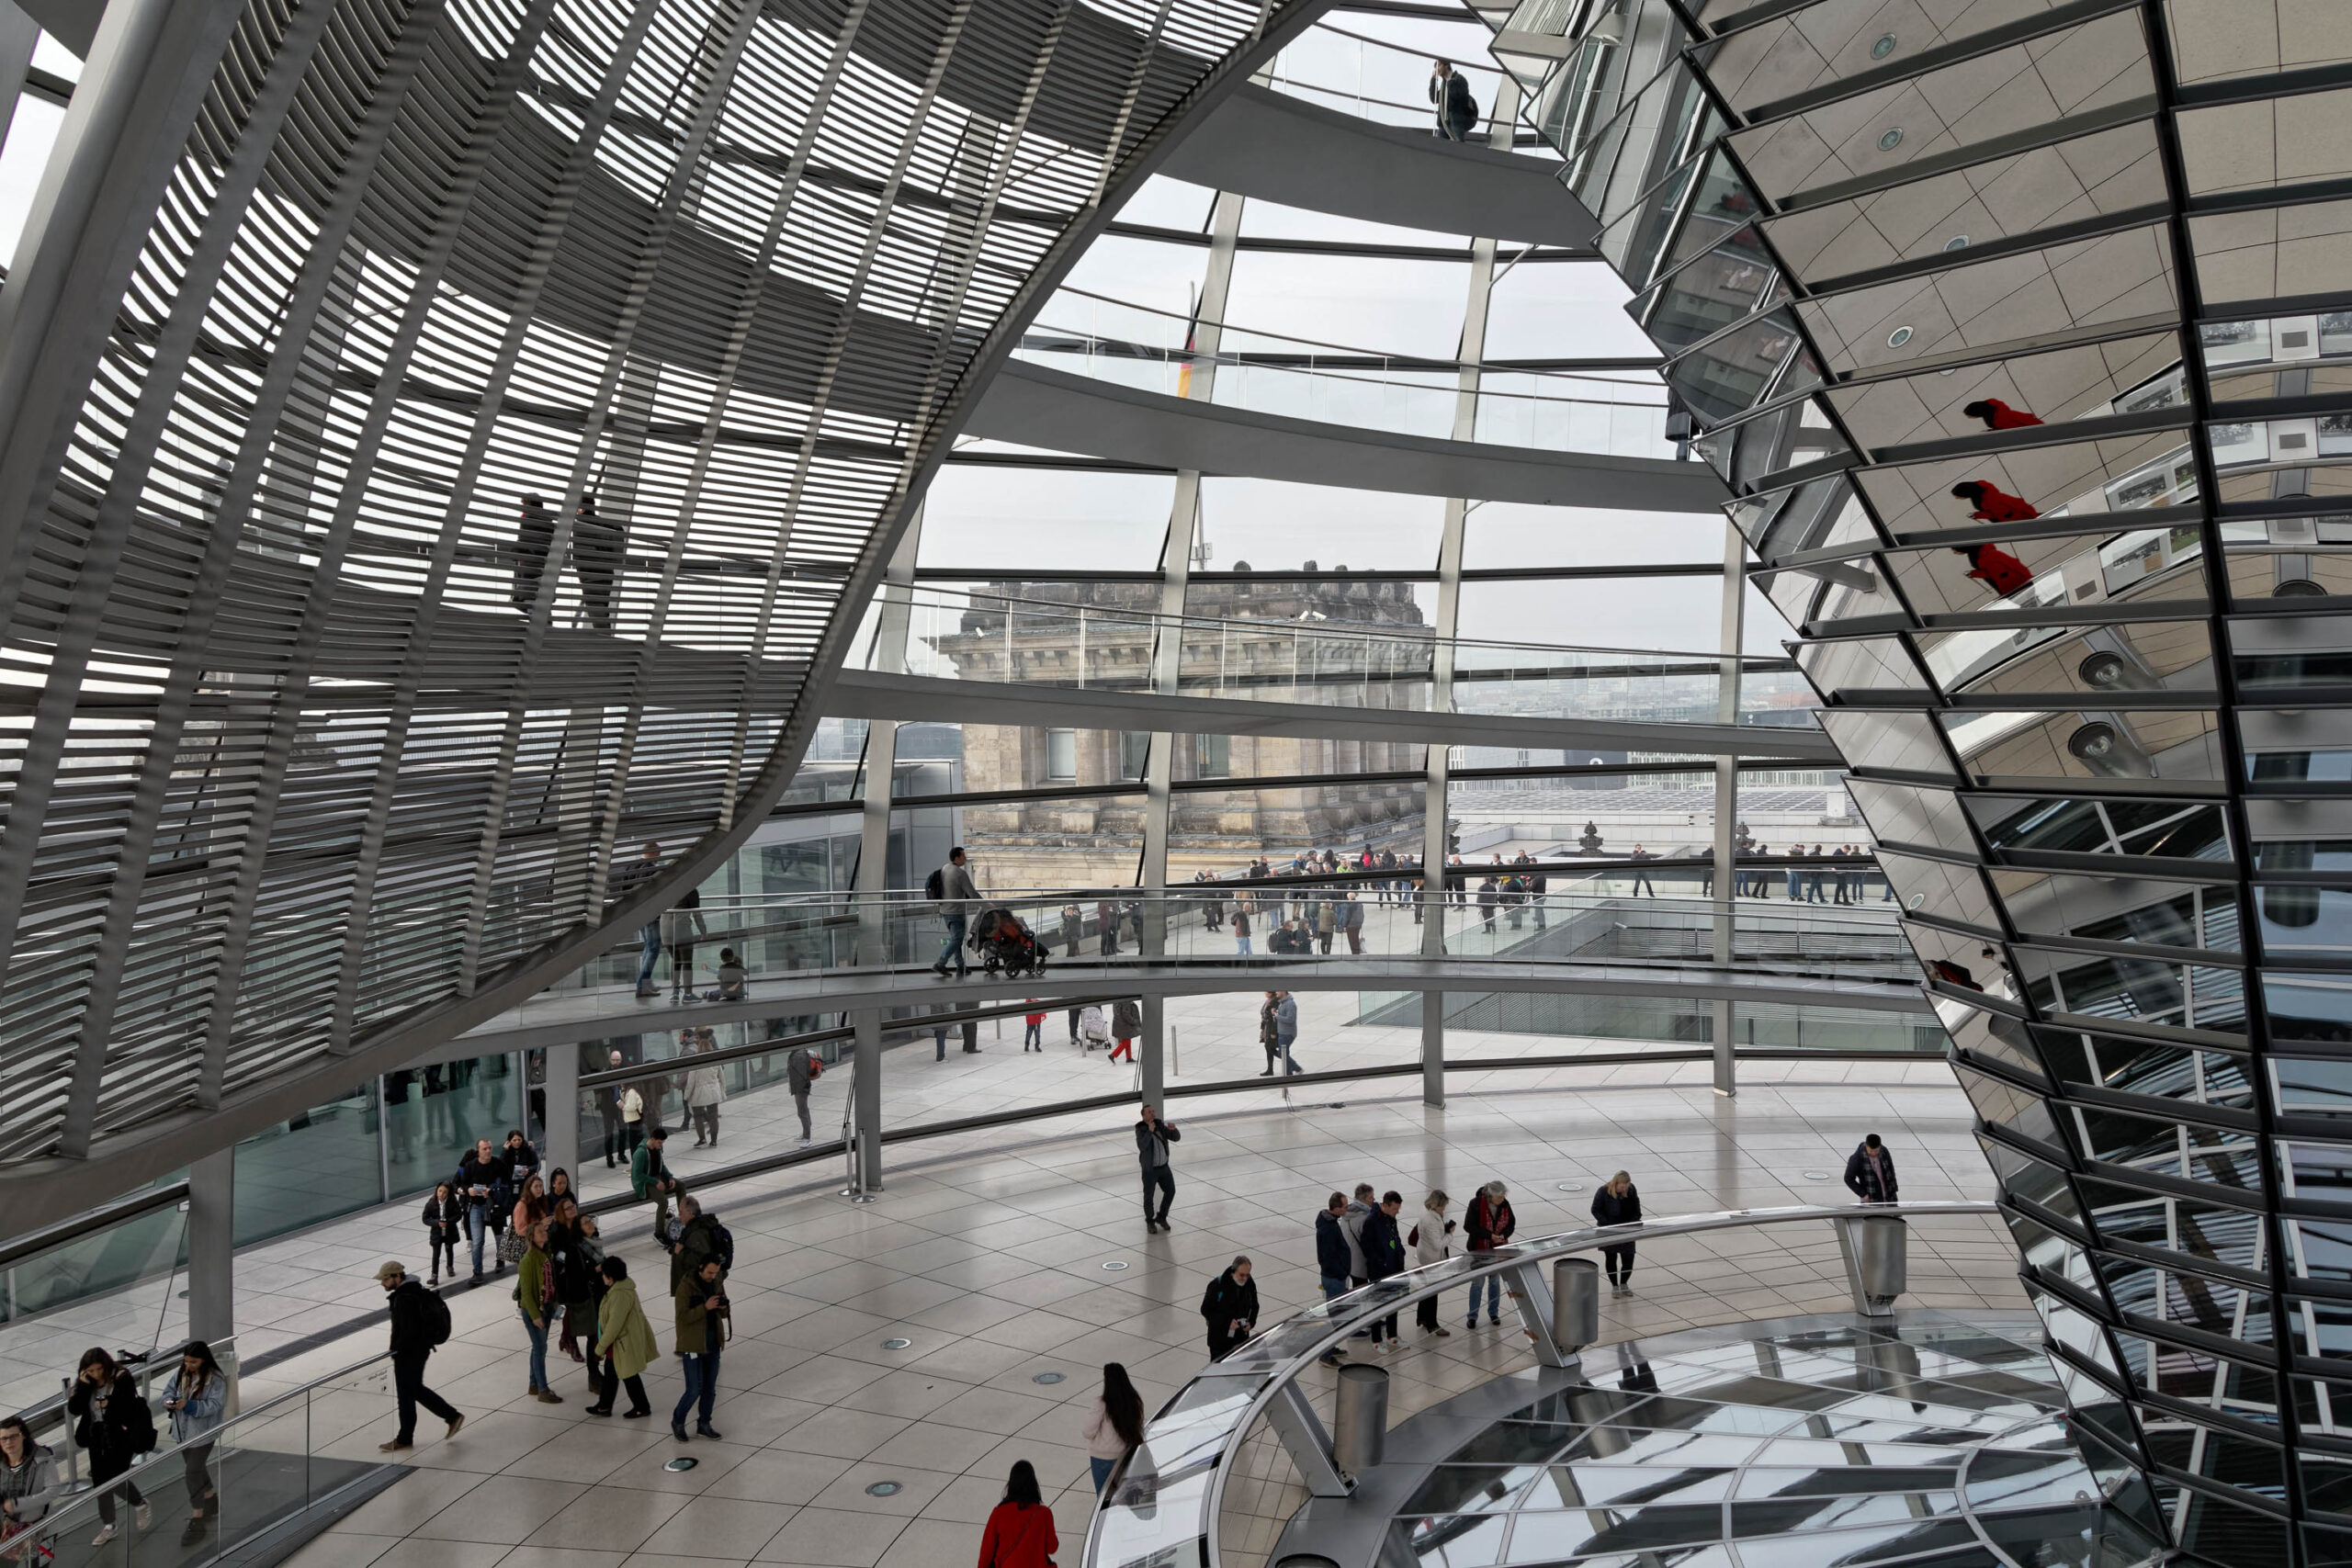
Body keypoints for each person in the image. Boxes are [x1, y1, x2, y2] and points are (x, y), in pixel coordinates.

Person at [377, 1261, 462, 1452]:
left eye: (385, 1279)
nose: (382, 1283)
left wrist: (396, 1350)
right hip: (419, 1350)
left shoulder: (404, 1298)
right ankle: (409, 1435)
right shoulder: (415, 1291)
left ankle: (448, 1418)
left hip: (409, 1353)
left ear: (397, 1277)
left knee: (407, 1394)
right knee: (411, 1392)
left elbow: (407, 1330)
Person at [159, 1340, 227, 1542]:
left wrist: (188, 1406)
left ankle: (197, 1515)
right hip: (182, 1432)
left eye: (193, 1361)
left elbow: (214, 1405)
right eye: (186, 1361)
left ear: (204, 1360)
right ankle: (210, 1499)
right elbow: (168, 1391)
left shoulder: (216, 1379)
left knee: (192, 1472)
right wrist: (169, 1401)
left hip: (203, 1433)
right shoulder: (181, 1373)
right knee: (196, 1468)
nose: (189, 1365)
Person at [588, 1256, 657, 1418]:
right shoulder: (620, 1288)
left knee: (628, 1374)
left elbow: (614, 1326)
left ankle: (642, 1407)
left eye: (604, 1274)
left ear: (610, 1277)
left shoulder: (619, 1295)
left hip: (623, 1343)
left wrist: (600, 1348)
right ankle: (604, 1406)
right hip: (620, 1343)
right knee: (612, 1373)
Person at [673, 1256, 729, 1441]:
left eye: (715, 1272)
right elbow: (682, 1317)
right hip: (693, 1345)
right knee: (694, 1389)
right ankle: (678, 1421)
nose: (712, 1276)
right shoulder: (686, 1287)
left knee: (709, 1389)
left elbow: (724, 1312)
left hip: (713, 1344)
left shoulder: (716, 1282)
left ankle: (704, 1423)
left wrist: (723, 1307)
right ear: (700, 1267)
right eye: (709, 1272)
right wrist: (705, 1307)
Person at [977, 1461, 1057, 1568]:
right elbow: (1052, 1548)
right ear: (1033, 1485)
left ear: (1011, 1485)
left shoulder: (999, 1514)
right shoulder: (1044, 1514)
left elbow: (986, 1553)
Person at [516, 1219, 563, 1404]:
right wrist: (535, 1316)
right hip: (535, 1310)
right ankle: (542, 1389)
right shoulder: (528, 1261)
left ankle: (534, 1384)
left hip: (547, 1306)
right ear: (531, 1237)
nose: (544, 1233)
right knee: (540, 1348)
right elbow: (526, 1294)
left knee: (538, 1348)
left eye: (544, 1230)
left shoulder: (546, 1254)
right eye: (539, 1232)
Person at [1081, 1363, 1145, 1493]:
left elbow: (1087, 1432)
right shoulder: (1134, 1401)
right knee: (1125, 1495)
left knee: (1104, 1498)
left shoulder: (1101, 1403)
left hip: (1101, 1459)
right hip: (1125, 1456)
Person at [0, 1416, 55, 1562]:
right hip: (9, 1527)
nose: (8, 1442)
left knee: (38, 1562)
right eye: (3, 1439)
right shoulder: (2, 1462)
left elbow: (52, 1491)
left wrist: (18, 1504)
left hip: (38, 1526)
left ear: (23, 1435)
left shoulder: (42, 1458)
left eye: (13, 1437)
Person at [616, 840, 666, 997]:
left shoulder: (632, 866)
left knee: (648, 946)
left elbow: (624, 889)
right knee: (654, 947)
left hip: (637, 913)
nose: (659, 856)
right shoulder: (650, 869)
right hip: (650, 913)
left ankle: (647, 982)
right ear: (651, 852)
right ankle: (642, 984)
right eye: (658, 853)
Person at [456, 1135, 506, 1281]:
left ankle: (500, 1260)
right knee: (477, 1241)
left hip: (494, 1204)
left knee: (499, 1235)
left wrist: (492, 1189)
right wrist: (468, 1190)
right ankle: (477, 1272)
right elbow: (463, 1184)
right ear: (478, 1150)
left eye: (490, 1148)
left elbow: (506, 1182)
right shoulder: (471, 1166)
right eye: (485, 1149)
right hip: (476, 1205)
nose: (488, 1151)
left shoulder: (498, 1164)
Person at [1464, 1180, 1514, 1328]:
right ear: (1491, 1195)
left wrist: (1504, 1235)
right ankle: (1472, 1316)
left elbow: (1511, 1223)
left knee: (1494, 1281)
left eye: (1504, 1196)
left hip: (1498, 1249)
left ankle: (1494, 1313)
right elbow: (1469, 1226)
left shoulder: (1505, 1205)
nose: (1503, 1199)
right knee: (1478, 1283)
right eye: (1500, 1197)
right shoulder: (1475, 1204)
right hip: (1479, 1249)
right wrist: (1489, 1235)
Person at [573, 491, 624, 632]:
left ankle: (606, 641)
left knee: (596, 611)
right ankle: (607, 639)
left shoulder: (580, 525)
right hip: (606, 574)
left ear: (581, 508)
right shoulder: (602, 523)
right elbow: (618, 531)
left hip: (590, 576)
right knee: (601, 609)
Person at [1363, 1192, 1407, 1351]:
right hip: (1379, 1271)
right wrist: (1381, 1262)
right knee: (1378, 1304)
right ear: (1386, 1205)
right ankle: (1376, 1339)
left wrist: (1400, 1252)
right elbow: (1367, 1247)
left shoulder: (1390, 1219)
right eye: (1395, 1208)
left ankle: (1392, 1335)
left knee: (1394, 1302)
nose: (1397, 1212)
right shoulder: (1372, 1221)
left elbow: (1395, 1239)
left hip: (1395, 1268)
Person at [1314, 1192, 1352, 1366]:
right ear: (1336, 1209)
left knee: (1335, 1315)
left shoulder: (1330, 1223)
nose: (1347, 1208)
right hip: (1334, 1278)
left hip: (1335, 1276)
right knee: (1335, 1317)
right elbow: (1328, 1257)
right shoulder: (1329, 1229)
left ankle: (1331, 1348)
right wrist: (1342, 1272)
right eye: (1345, 1206)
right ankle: (1326, 1354)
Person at [1412, 1190, 1455, 1338]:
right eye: (1443, 1206)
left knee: (1426, 1289)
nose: (1444, 1209)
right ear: (1436, 1205)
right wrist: (1450, 1235)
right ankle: (1433, 1324)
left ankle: (1422, 1318)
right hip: (1431, 1258)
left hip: (1425, 1254)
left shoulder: (1427, 1213)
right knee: (1432, 1292)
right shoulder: (1430, 1220)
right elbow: (1438, 1245)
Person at [932, 846, 980, 977]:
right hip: (956, 911)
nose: (965, 858)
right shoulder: (960, 873)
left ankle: (960, 966)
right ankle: (940, 963)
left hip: (945, 911)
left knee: (955, 939)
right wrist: (986, 904)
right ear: (957, 858)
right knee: (957, 939)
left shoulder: (945, 868)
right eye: (963, 856)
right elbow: (972, 892)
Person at [1591, 1171, 1643, 1294]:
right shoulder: (1603, 1191)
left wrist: (1634, 1220)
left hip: (1627, 1230)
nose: (1624, 1188)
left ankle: (1624, 1283)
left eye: (1626, 1185)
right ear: (1616, 1183)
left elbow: (1636, 1206)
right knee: (1611, 1257)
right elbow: (1595, 1209)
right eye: (1621, 1186)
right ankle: (1615, 1285)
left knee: (1628, 1258)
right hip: (1610, 1231)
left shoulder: (1631, 1189)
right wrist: (1607, 1225)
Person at [1200, 1257, 1260, 1359]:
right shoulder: (1217, 1285)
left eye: (1247, 1275)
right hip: (1220, 1341)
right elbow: (1205, 1309)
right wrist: (1227, 1322)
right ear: (1233, 1271)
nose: (1245, 1278)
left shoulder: (1249, 1284)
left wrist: (1251, 1322)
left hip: (1240, 1338)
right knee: (1218, 1371)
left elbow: (1255, 1305)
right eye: (1242, 1275)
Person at [632, 1126, 681, 1242]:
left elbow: (662, 1166)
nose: (661, 1145)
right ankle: (658, 1233)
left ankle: (683, 1218)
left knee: (681, 1186)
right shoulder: (641, 1152)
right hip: (645, 1183)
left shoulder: (657, 1149)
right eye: (659, 1142)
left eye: (662, 1143)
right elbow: (637, 1175)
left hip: (658, 1178)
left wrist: (670, 1177)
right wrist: (656, 1182)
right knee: (663, 1202)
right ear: (652, 1139)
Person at [1137, 1103, 1180, 1233]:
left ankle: (1161, 1217)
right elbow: (1142, 1146)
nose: (1152, 1113)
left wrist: (1174, 1130)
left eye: (1153, 1111)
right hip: (1150, 1170)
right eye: (1149, 1112)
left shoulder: (1160, 1125)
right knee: (1148, 1196)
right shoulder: (1141, 1129)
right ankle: (1150, 1221)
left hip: (1164, 1167)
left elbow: (1175, 1138)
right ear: (1144, 1116)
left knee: (1171, 1191)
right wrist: (1150, 1132)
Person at [512, 493, 556, 611]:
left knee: (528, 598)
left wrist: (515, 549)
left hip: (531, 565)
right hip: (544, 565)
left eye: (524, 504)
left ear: (529, 504)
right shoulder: (549, 522)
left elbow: (525, 541)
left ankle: (541, 626)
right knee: (540, 599)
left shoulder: (529, 519)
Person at [1952, 541, 2033, 597]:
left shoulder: (1985, 557)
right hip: (2017, 584)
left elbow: (1993, 573)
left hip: (2015, 586)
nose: (1954, 553)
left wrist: (1974, 573)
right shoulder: (1982, 553)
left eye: (1955, 551)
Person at [421, 1181, 463, 1285]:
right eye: (440, 1191)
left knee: (449, 1249)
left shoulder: (453, 1203)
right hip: (437, 1232)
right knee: (436, 1254)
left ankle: (450, 1266)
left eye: (444, 1192)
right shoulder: (431, 1203)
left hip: (449, 1231)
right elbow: (425, 1218)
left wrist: (448, 1222)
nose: (441, 1194)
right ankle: (434, 1275)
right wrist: (436, 1223)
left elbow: (458, 1215)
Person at [1429, 57, 1476, 140]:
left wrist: (1450, 81)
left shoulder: (1459, 79)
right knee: (1438, 147)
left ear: (1446, 66)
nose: (1437, 69)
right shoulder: (1444, 86)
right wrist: (1434, 80)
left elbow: (1458, 94)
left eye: (1439, 65)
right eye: (1436, 67)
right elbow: (1434, 98)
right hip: (1443, 125)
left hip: (1456, 122)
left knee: (1458, 146)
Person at [1951, 479, 2039, 523]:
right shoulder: (1981, 489)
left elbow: (1994, 514)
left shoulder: (1988, 500)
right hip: (2019, 514)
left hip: (2019, 518)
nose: (1957, 498)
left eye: (1958, 496)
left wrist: (1977, 515)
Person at [1845, 1133, 1898, 1203]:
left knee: (1891, 1213)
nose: (1873, 1153)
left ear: (1880, 1146)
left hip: (1889, 1194)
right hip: (1871, 1197)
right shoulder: (1857, 1158)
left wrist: (1894, 1188)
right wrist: (1863, 1194)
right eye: (1871, 1151)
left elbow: (1891, 1169)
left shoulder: (1884, 1151)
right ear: (1866, 1145)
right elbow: (1848, 1178)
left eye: (1876, 1151)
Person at [684, 1053, 724, 1147]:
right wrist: (722, 1089)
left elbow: (691, 1082)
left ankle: (702, 1139)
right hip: (714, 1091)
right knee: (714, 1115)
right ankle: (714, 1141)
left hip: (700, 1092)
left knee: (698, 1115)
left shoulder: (696, 1061)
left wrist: (687, 1095)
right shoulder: (715, 1059)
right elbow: (721, 1076)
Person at [598, 1048, 629, 1165]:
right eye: (613, 1060)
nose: (615, 1062)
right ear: (610, 1060)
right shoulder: (605, 1072)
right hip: (608, 1108)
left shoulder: (624, 1071)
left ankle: (621, 1154)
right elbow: (602, 1089)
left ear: (621, 1060)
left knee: (623, 1131)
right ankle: (609, 1158)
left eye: (618, 1060)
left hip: (621, 1108)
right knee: (609, 1133)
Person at [786, 1043, 820, 1143]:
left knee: (802, 1112)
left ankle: (807, 1138)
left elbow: (801, 1074)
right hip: (800, 1086)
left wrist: (798, 1088)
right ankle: (805, 1133)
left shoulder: (799, 1056)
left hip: (801, 1088)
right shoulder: (798, 1053)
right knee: (803, 1110)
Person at [512, 1170, 548, 1241]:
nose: (539, 1189)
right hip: (525, 1244)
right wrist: (540, 1224)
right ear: (529, 1189)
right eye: (536, 1187)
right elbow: (520, 1230)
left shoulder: (538, 1202)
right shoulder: (522, 1205)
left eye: (541, 1186)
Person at [1963, 398, 2041, 430]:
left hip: (2028, 429)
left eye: (1971, 416)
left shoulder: (1996, 420)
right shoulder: (1994, 407)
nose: (1970, 418)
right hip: (2026, 421)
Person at [1274, 989, 1300, 1074]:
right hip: (1283, 1032)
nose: (1276, 992)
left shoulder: (1290, 1004)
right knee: (1285, 1053)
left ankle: (1296, 1068)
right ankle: (1289, 1073)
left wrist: (1277, 1016)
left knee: (1282, 1054)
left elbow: (1290, 1019)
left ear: (1283, 991)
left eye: (1278, 991)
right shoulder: (1283, 1003)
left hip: (1287, 1033)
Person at [1258, 992, 1283, 1076]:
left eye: (1266, 992)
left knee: (1269, 1047)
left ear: (1271, 993)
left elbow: (1275, 1019)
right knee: (1268, 1048)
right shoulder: (1268, 1001)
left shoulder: (1275, 1002)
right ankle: (1270, 1069)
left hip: (1271, 1028)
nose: (1265, 993)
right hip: (1266, 1027)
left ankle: (1288, 1060)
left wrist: (1273, 1031)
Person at [1109, 998, 1141, 1063]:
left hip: (1118, 1022)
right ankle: (1113, 1055)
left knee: (1127, 1039)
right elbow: (1126, 1014)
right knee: (1126, 1041)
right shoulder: (1125, 1000)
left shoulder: (1116, 1000)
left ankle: (1129, 1058)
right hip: (1124, 1024)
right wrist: (1134, 1021)